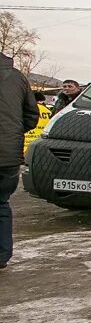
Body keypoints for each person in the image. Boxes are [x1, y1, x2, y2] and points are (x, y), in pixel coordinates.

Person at [1, 52, 40, 270]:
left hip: (9, 149)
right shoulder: (18, 78)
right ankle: (2, 255)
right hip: (9, 153)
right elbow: (31, 116)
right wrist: (11, 135)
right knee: (2, 204)